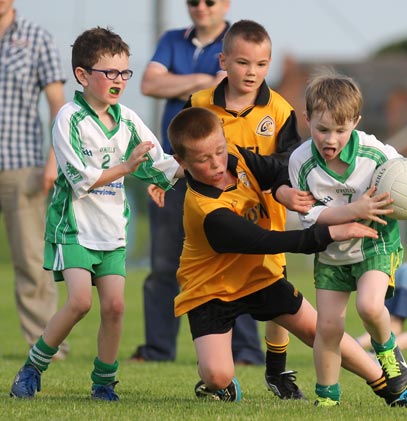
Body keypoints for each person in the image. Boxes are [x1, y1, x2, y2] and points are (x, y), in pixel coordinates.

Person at [166, 106, 407, 407]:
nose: (217, 162)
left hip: (258, 279)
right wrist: (331, 232)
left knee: (318, 328)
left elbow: (280, 169)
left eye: (219, 150)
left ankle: (394, 391)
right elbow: (266, 240)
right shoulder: (205, 210)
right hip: (209, 290)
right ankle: (218, 385)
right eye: (203, 159)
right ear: (182, 162)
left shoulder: (237, 158)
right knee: (218, 374)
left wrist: (282, 190)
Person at [9, 26, 182, 401]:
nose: (119, 81)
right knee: (79, 302)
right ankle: (33, 366)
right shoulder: (68, 119)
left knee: (116, 307)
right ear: (83, 75)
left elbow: (161, 163)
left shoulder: (129, 119)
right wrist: (126, 167)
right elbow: (78, 179)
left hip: (111, 231)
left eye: (124, 73)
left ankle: (103, 382)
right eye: (110, 73)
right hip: (73, 227)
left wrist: (202, 163)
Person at [288, 69, 407, 407]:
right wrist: (355, 209)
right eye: (322, 129)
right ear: (307, 118)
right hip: (330, 252)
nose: (330, 139)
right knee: (327, 329)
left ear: (355, 122)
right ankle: (327, 398)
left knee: (370, 306)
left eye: (340, 130)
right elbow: (309, 217)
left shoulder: (375, 152)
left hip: (375, 243)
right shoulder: (300, 161)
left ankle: (388, 352)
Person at [131, 0, 265, 366]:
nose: (201, 7)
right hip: (175, 170)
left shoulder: (240, 41)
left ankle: (247, 353)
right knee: (163, 265)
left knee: (238, 262)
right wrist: (205, 82)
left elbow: (241, 91)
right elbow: (148, 83)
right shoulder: (172, 39)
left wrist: (174, 85)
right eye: (193, 1)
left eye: (210, 1)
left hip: (225, 174)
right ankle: (158, 350)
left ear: (226, 4)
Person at [185, 19, 310, 399]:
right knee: (213, 296)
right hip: (216, 226)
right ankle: (215, 371)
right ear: (223, 61)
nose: (251, 72)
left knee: (277, 297)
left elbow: (290, 163)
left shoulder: (281, 110)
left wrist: (277, 184)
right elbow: (183, 153)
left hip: (262, 222)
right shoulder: (200, 103)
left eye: (260, 64)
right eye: (242, 63)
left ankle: (277, 371)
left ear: (269, 65)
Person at [0, 0, 70, 359]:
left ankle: (46, 346)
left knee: (31, 260)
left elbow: (57, 104)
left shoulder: (37, 38)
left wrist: (53, 160)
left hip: (21, 165)